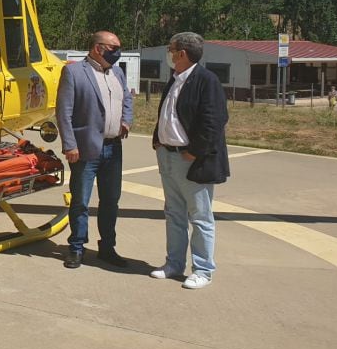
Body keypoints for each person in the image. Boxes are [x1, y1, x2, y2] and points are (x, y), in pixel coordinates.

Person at [150, 32, 229, 289]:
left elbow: (214, 122)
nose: (169, 54)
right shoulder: (174, 79)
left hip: (191, 160)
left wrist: (194, 152)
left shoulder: (207, 81)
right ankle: (173, 263)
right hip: (168, 156)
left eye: (171, 49)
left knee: (200, 216)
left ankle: (203, 270)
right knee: (174, 213)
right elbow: (168, 113)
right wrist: (158, 140)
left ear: (182, 53)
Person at [55, 31, 133, 269]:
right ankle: (76, 248)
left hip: (113, 148)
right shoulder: (74, 72)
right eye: (114, 47)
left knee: (111, 201)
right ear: (98, 48)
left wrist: (126, 120)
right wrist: (70, 145)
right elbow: (64, 112)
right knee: (80, 201)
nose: (117, 52)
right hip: (85, 150)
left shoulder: (117, 72)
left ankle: (107, 248)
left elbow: (127, 100)